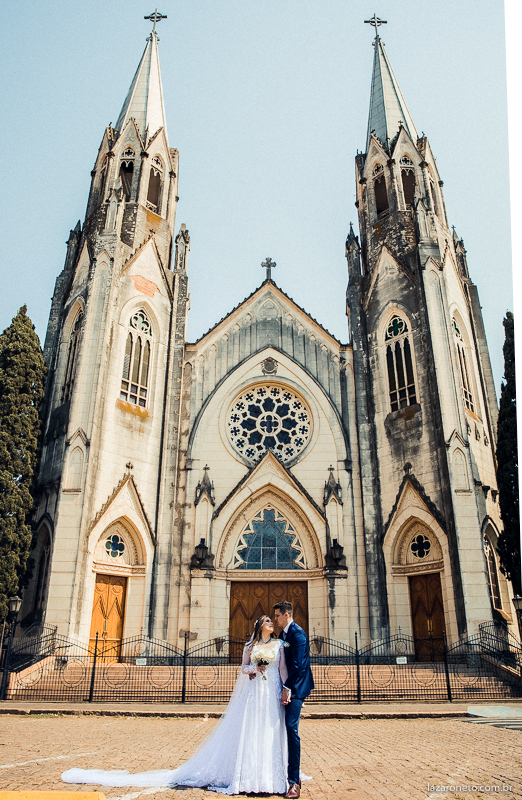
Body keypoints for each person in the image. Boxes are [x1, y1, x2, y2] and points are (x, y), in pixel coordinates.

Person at [62, 615, 292, 795]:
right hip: (254, 692)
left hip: (269, 690)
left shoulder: (279, 644)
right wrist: (252, 669)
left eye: (273, 620)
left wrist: (285, 687)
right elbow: (243, 667)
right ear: (259, 625)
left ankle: (267, 774)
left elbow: (282, 669)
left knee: (268, 731)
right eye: (268, 620)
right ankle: (249, 773)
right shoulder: (250, 646)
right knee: (250, 731)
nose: (271, 622)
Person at [273, 601, 315, 800]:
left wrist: (288, 689)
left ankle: (293, 780)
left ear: (286, 614)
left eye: (277, 616)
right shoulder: (283, 635)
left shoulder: (297, 634)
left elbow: (298, 665)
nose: (275, 619)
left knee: (291, 729)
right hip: (285, 687)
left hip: (295, 688)